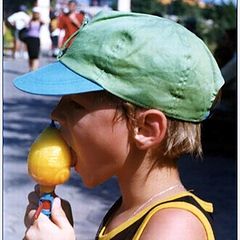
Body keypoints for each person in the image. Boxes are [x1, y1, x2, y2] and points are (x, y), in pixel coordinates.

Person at [14, 11, 224, 240]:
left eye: (75, 104)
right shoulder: (129, 208)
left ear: (145, 129)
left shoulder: (175, 228)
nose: (55, 113)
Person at [24, 7, 44, 71]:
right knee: (30, 55)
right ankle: (30, 68)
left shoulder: (40, 21)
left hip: (36, 39)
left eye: (37, 13)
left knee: (35, 55)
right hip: (29, 39)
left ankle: (34, 69)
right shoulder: (30, 21)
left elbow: (44, 22)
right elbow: (26, 27)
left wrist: (39, 16)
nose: (36, 15)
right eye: (35, 13)